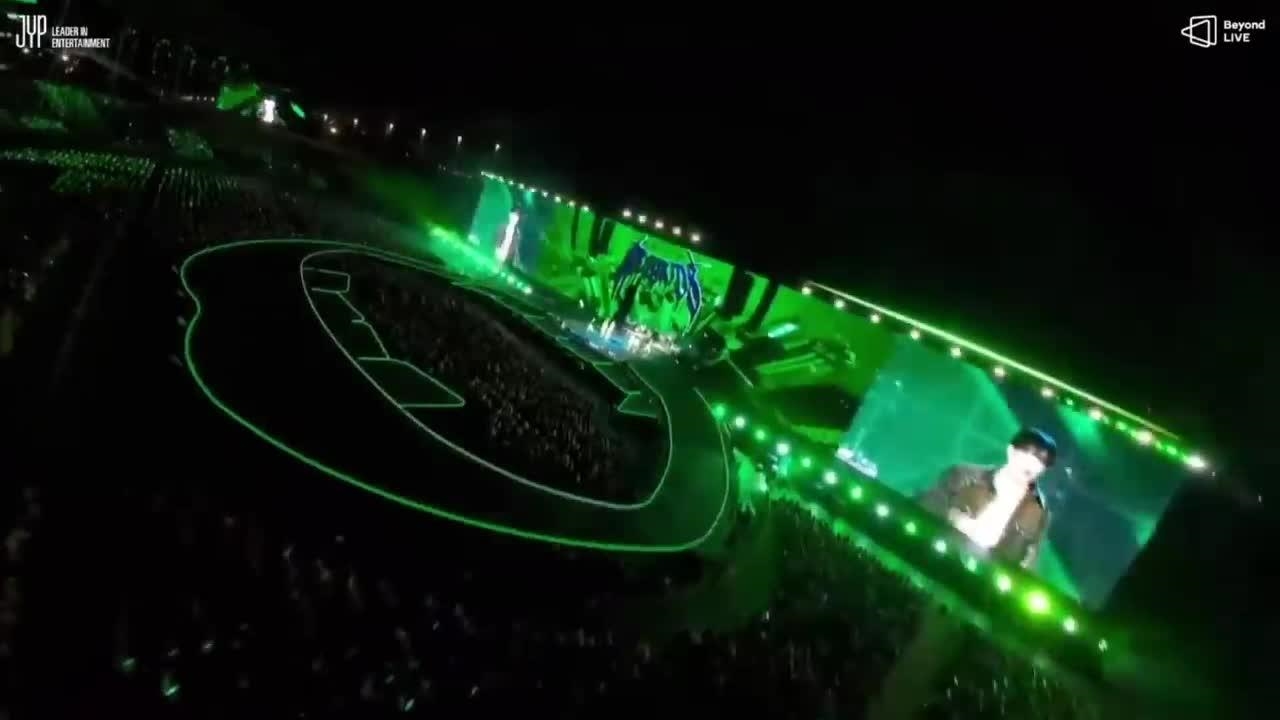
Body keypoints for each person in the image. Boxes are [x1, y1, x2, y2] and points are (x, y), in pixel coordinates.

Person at [920, 428, 1055, 570]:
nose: (1032, 466)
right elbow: (925, 507)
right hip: (936, 556)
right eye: (1028, 455)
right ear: (1011, 451)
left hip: (983, 575)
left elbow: (1030, 561)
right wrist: (955, 520)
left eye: (1041, 462)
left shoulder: (1039, 512)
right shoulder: (963, 476)